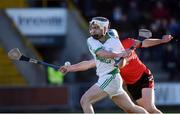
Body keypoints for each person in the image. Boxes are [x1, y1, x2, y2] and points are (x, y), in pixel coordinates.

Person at [59, 17, 148, 113]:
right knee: (131, 109)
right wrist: (69, 68)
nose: (93, 30)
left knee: (85, 100)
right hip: (108, 78)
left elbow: (121, 65)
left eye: (96, 28)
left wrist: (123, 58)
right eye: (92, 27)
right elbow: (95, 58)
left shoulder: (115, 43)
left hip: (111, 77)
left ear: (105, 29)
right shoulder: (91, 41)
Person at [120, 30, 173, 114]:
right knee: (140, 111)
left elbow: (145, 43)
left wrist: (162, 40)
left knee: (150, 109)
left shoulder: (127, 42)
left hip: (143, 76)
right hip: (131, 85)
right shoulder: (108, 55)